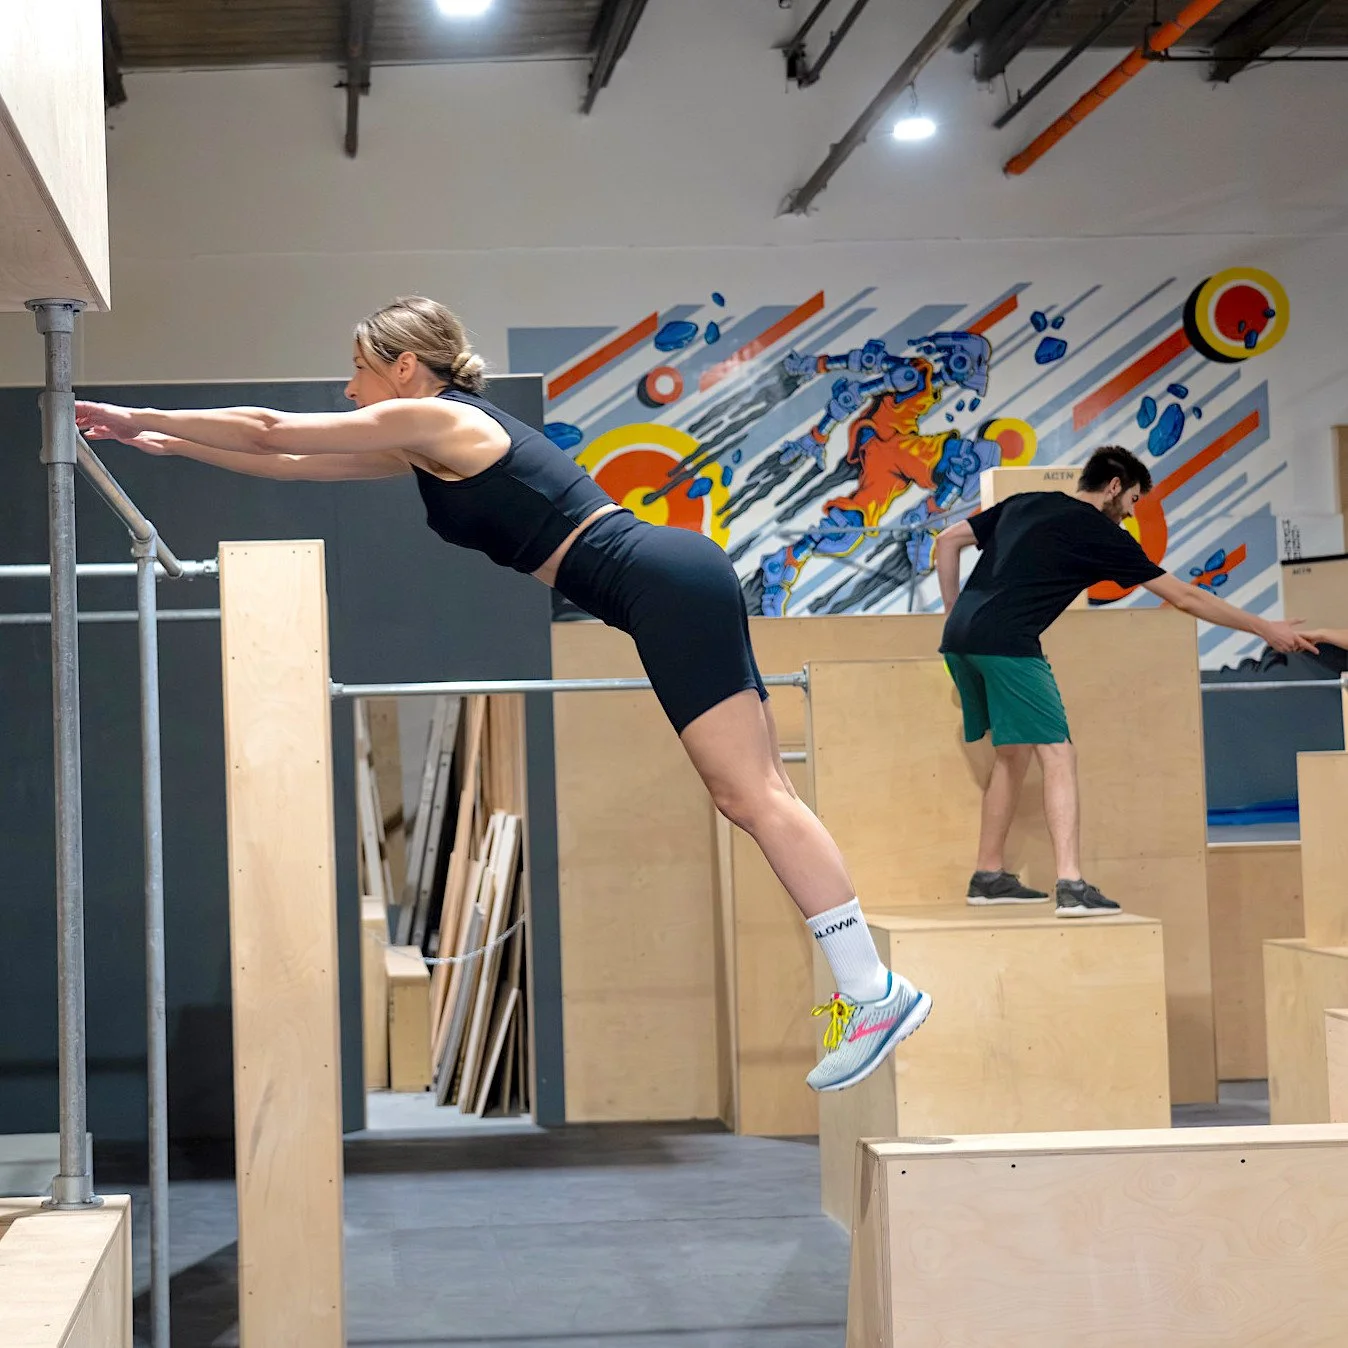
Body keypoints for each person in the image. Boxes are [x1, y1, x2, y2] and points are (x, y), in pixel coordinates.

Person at [74, 295, 931, 1093]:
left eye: (359, 371)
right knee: (760, 791)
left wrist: (132, 415)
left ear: (405, 367)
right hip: (666, 580)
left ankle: (869, 988)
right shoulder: (427, 437)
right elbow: (293, 461)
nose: (348, 387)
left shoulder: (439, 415)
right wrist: (177, 446)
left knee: (749, 794)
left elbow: (269, 427)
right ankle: (866, 986)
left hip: (654, 584)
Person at [935, 444, 1317, 918]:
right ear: (1114, 487)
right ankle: (1071, 884)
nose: (1131, 514)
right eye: (1133, 500)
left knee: (1012, 755)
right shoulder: (1101, 533)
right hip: (1008, 642)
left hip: (960, 641)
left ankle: (988, 875)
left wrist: (954, 612)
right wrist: (1267, 628)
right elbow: (1185, 597)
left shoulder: (1027, 501)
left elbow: (947, 541)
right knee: (1058, 752)